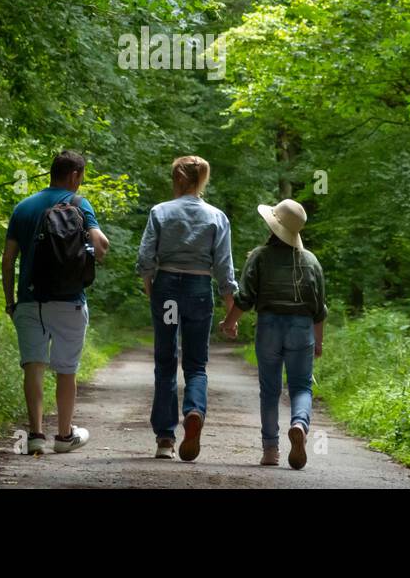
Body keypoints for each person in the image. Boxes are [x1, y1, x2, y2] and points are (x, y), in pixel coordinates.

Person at [2, 150, 110, 456]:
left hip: (29, 301)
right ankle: (64, 436)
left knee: (33, 367)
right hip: (70, 302)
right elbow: (101, 246)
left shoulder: (23, 207)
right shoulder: (78, 203)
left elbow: (8, 260)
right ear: (75, 175)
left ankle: (35, 434)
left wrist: (11, 302)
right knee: (66, 370)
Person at [136, 155, 238, 461]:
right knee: (196, 364)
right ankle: (194, 410)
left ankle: (165, 439)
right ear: (201, 179)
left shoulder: (160, 211)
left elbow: (145, 258)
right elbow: (224, 268)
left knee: (166, 360)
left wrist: (151, 287)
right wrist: (231, 309)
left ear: (177, 178)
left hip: (167, 289)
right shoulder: (216, 217)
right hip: (198, 289)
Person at [220, 198, 327, 469]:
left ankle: (270, 450)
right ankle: (299, 425)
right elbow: (319, 309)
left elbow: (245, 297)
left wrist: (230, 322)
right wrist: (319, 341)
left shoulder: (260, 256)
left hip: (268, 325)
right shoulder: (311, 261)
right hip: (301, 328)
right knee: (301, 386)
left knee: (269, 390)